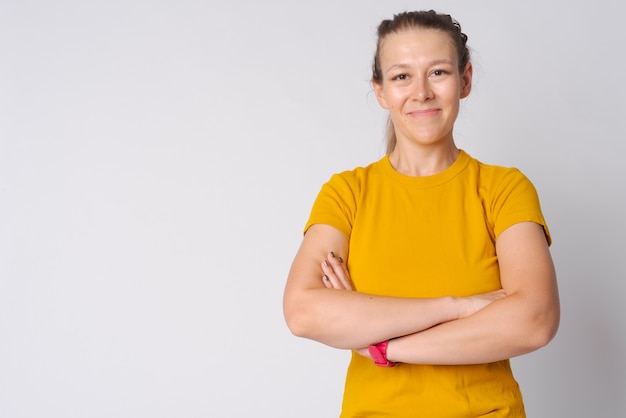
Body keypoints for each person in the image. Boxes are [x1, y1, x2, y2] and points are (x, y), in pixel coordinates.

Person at [283, 9, 560, 418]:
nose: (421, 92)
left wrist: (383, 346)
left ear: (464, 81)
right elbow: (303, 311)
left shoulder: (503, 189)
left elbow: (535, 319)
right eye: (401, 76)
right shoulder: (347, 194)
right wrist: (458, 306)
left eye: (438, 73)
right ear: (381, 92)